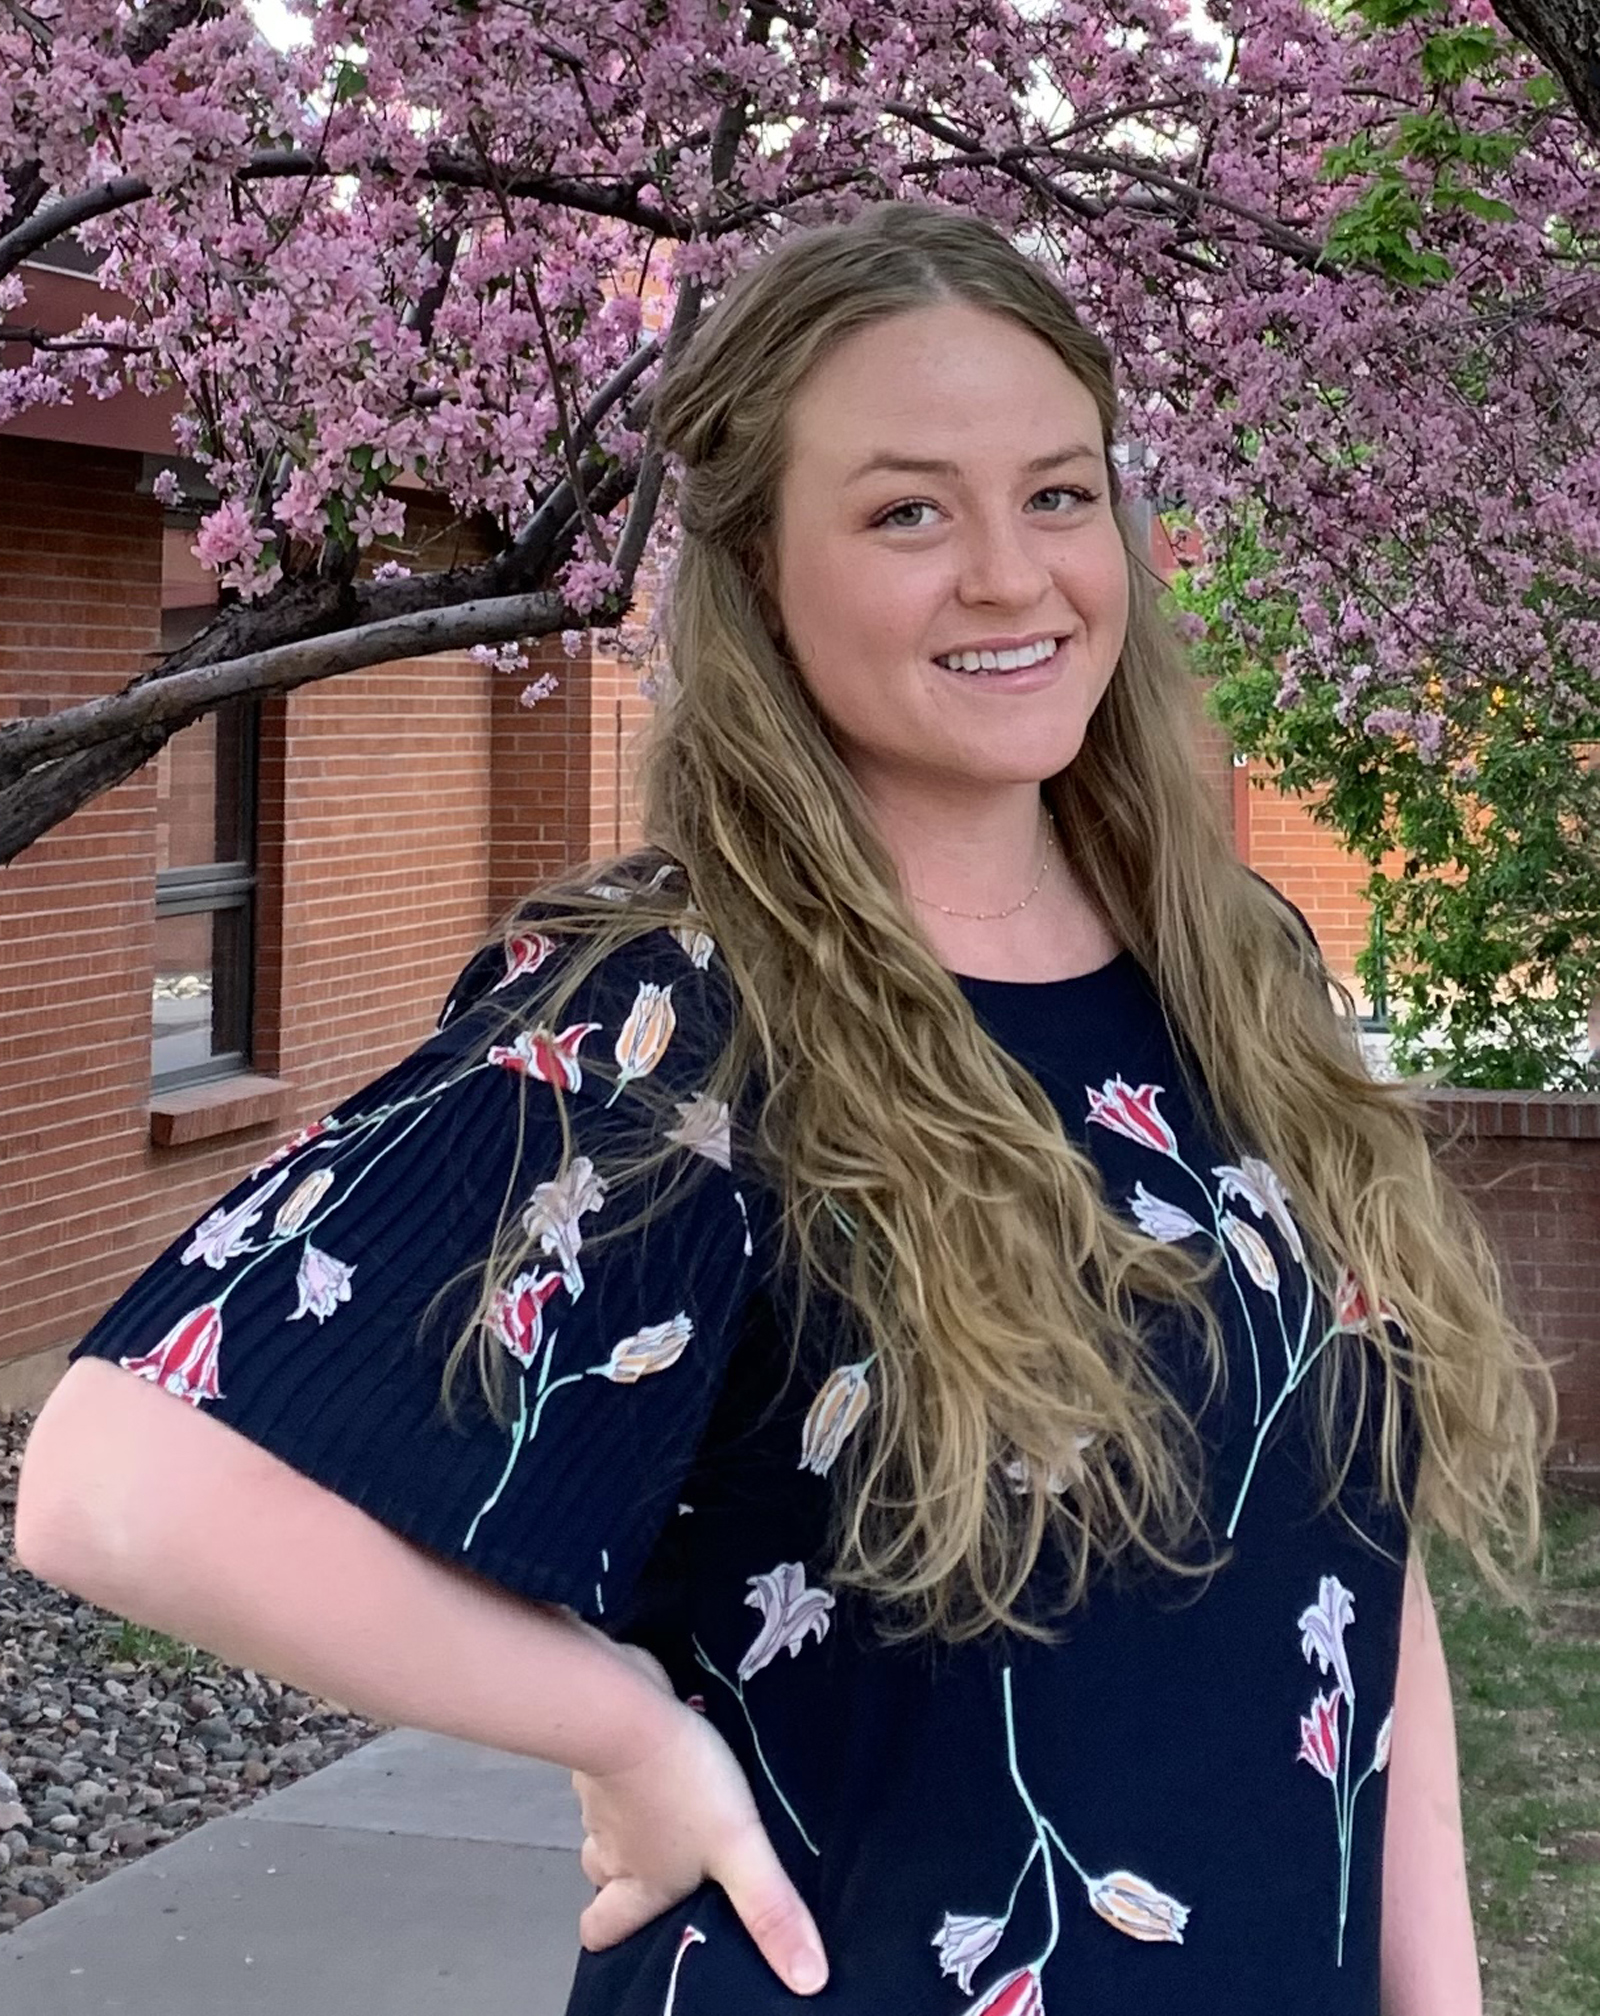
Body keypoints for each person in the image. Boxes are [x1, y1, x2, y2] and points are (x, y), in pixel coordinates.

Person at [18, 201, 1553, 2015]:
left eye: (1058, 496)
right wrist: (622, 1727)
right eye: (908, 510)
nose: (1009, 575)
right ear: (756, 573)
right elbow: (120, 1486)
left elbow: (1350, 1550)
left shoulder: (1236, 967)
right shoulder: (681, 1012)